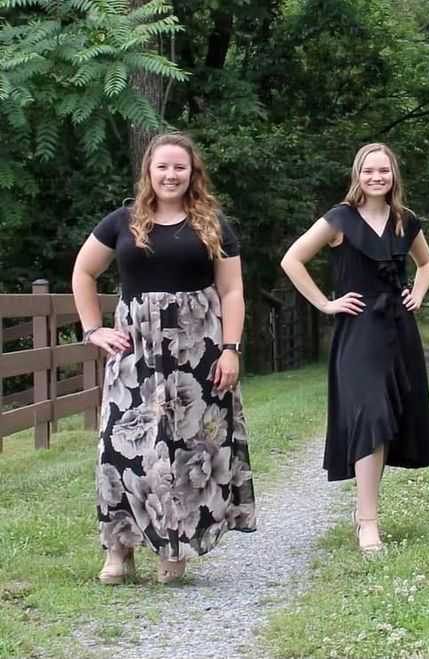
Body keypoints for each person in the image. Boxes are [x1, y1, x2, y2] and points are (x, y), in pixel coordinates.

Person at [72, 132, 256, 585]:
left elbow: (232, 291)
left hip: (198, 352)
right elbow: (83, 271)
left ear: (193, 174)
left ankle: (175, 549)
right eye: (163, 167)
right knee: (121, 446)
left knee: (187, 449)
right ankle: (119, 549)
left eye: (180, 167)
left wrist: (230, 349)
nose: (171, 175)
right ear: (148, 172)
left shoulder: (212, 223)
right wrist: (94, 330)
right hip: (135, 353)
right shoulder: (122, 221)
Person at [280, 143, 429, 555]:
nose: (376, 177)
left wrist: (418, 295)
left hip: (398, 331)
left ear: (393, 175)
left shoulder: (405, 221)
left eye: (383, 171)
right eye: (369, 171)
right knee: (370, 412)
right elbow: (291, 260)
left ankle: (365, 511)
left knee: (388, 417)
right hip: (358, 332)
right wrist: (325, 303)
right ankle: (367, 522)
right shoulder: (339, 219)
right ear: (358, 175)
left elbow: (427, 264)